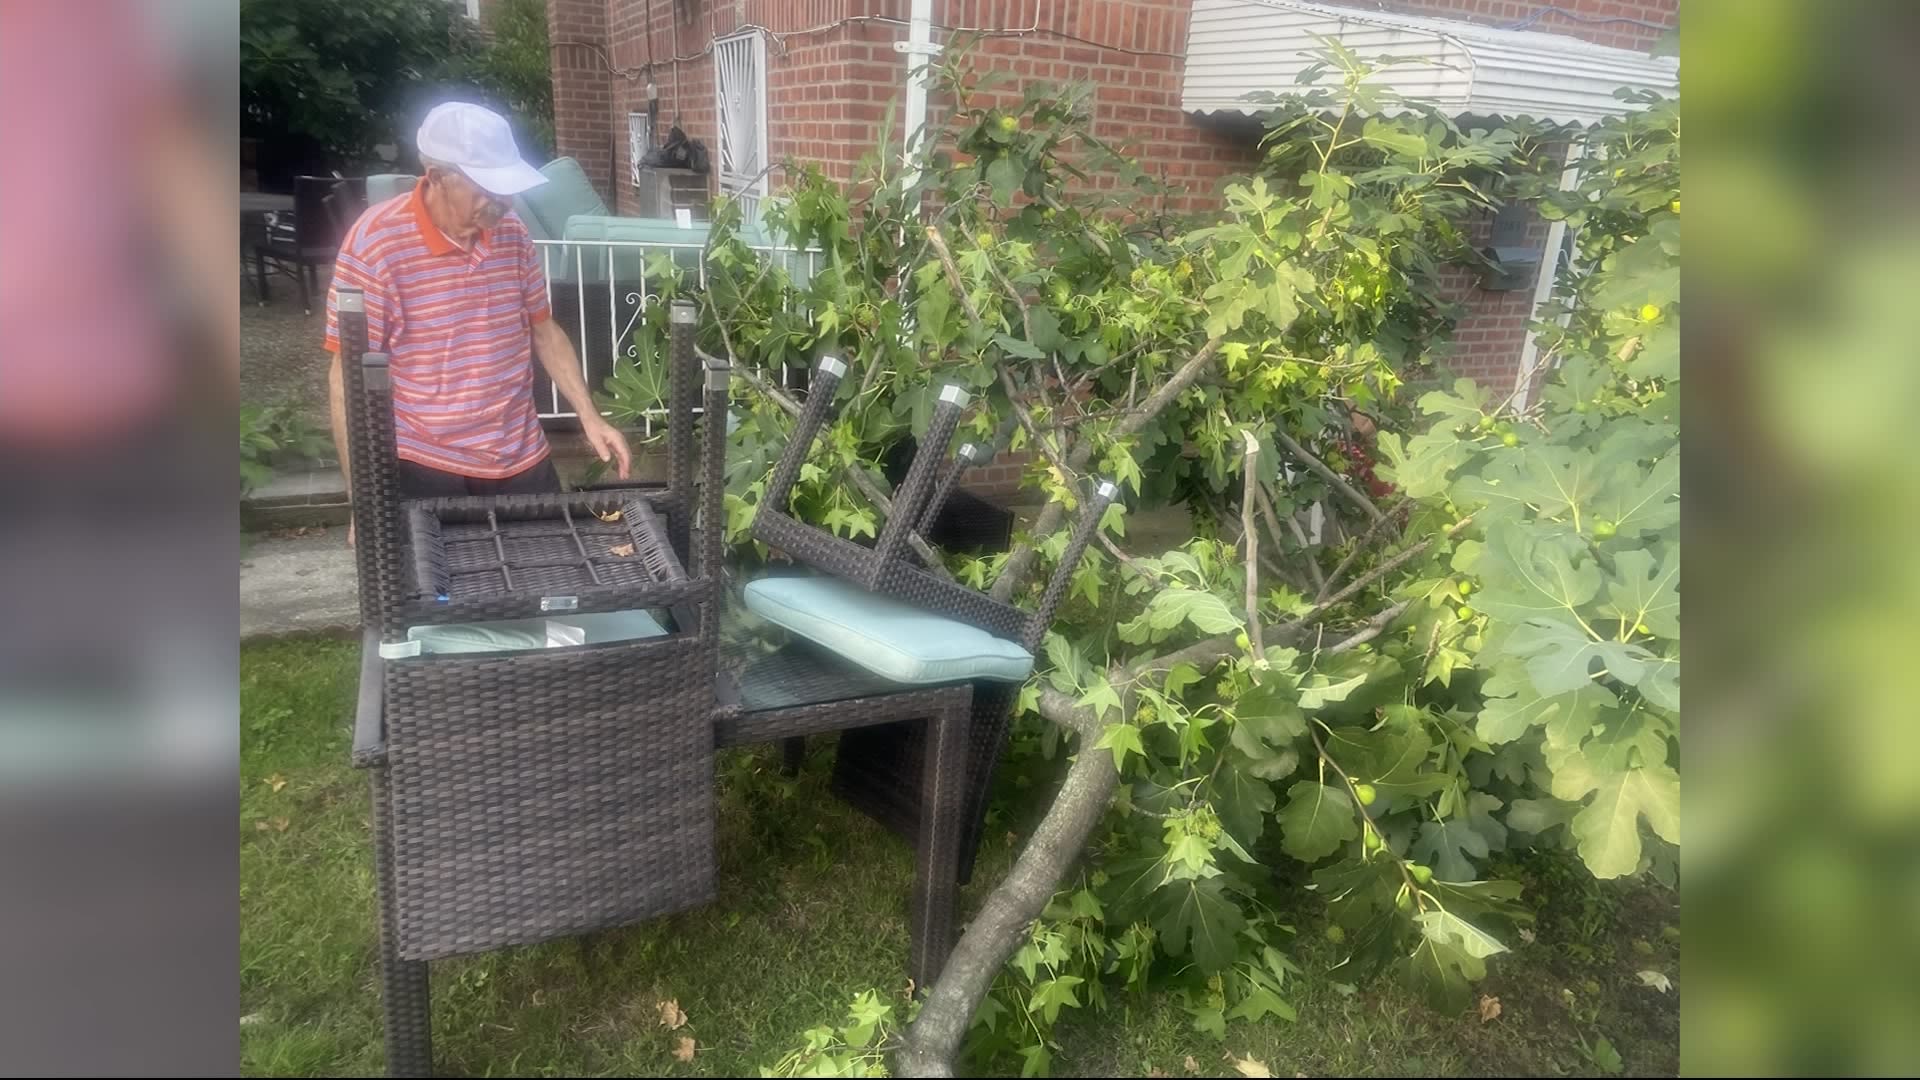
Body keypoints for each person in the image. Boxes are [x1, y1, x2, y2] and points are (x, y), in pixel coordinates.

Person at [323, 101, 630, 543]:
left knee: (545, 578)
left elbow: (545, 331)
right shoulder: (375, 244)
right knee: (441, 600)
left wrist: (590, 417)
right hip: (422, 458)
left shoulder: (513, 234)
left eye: (505, 189)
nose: (501, 202)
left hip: (518, 452)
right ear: (438, 177)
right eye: (486, 188)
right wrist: (361, 496)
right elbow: (345, 377)